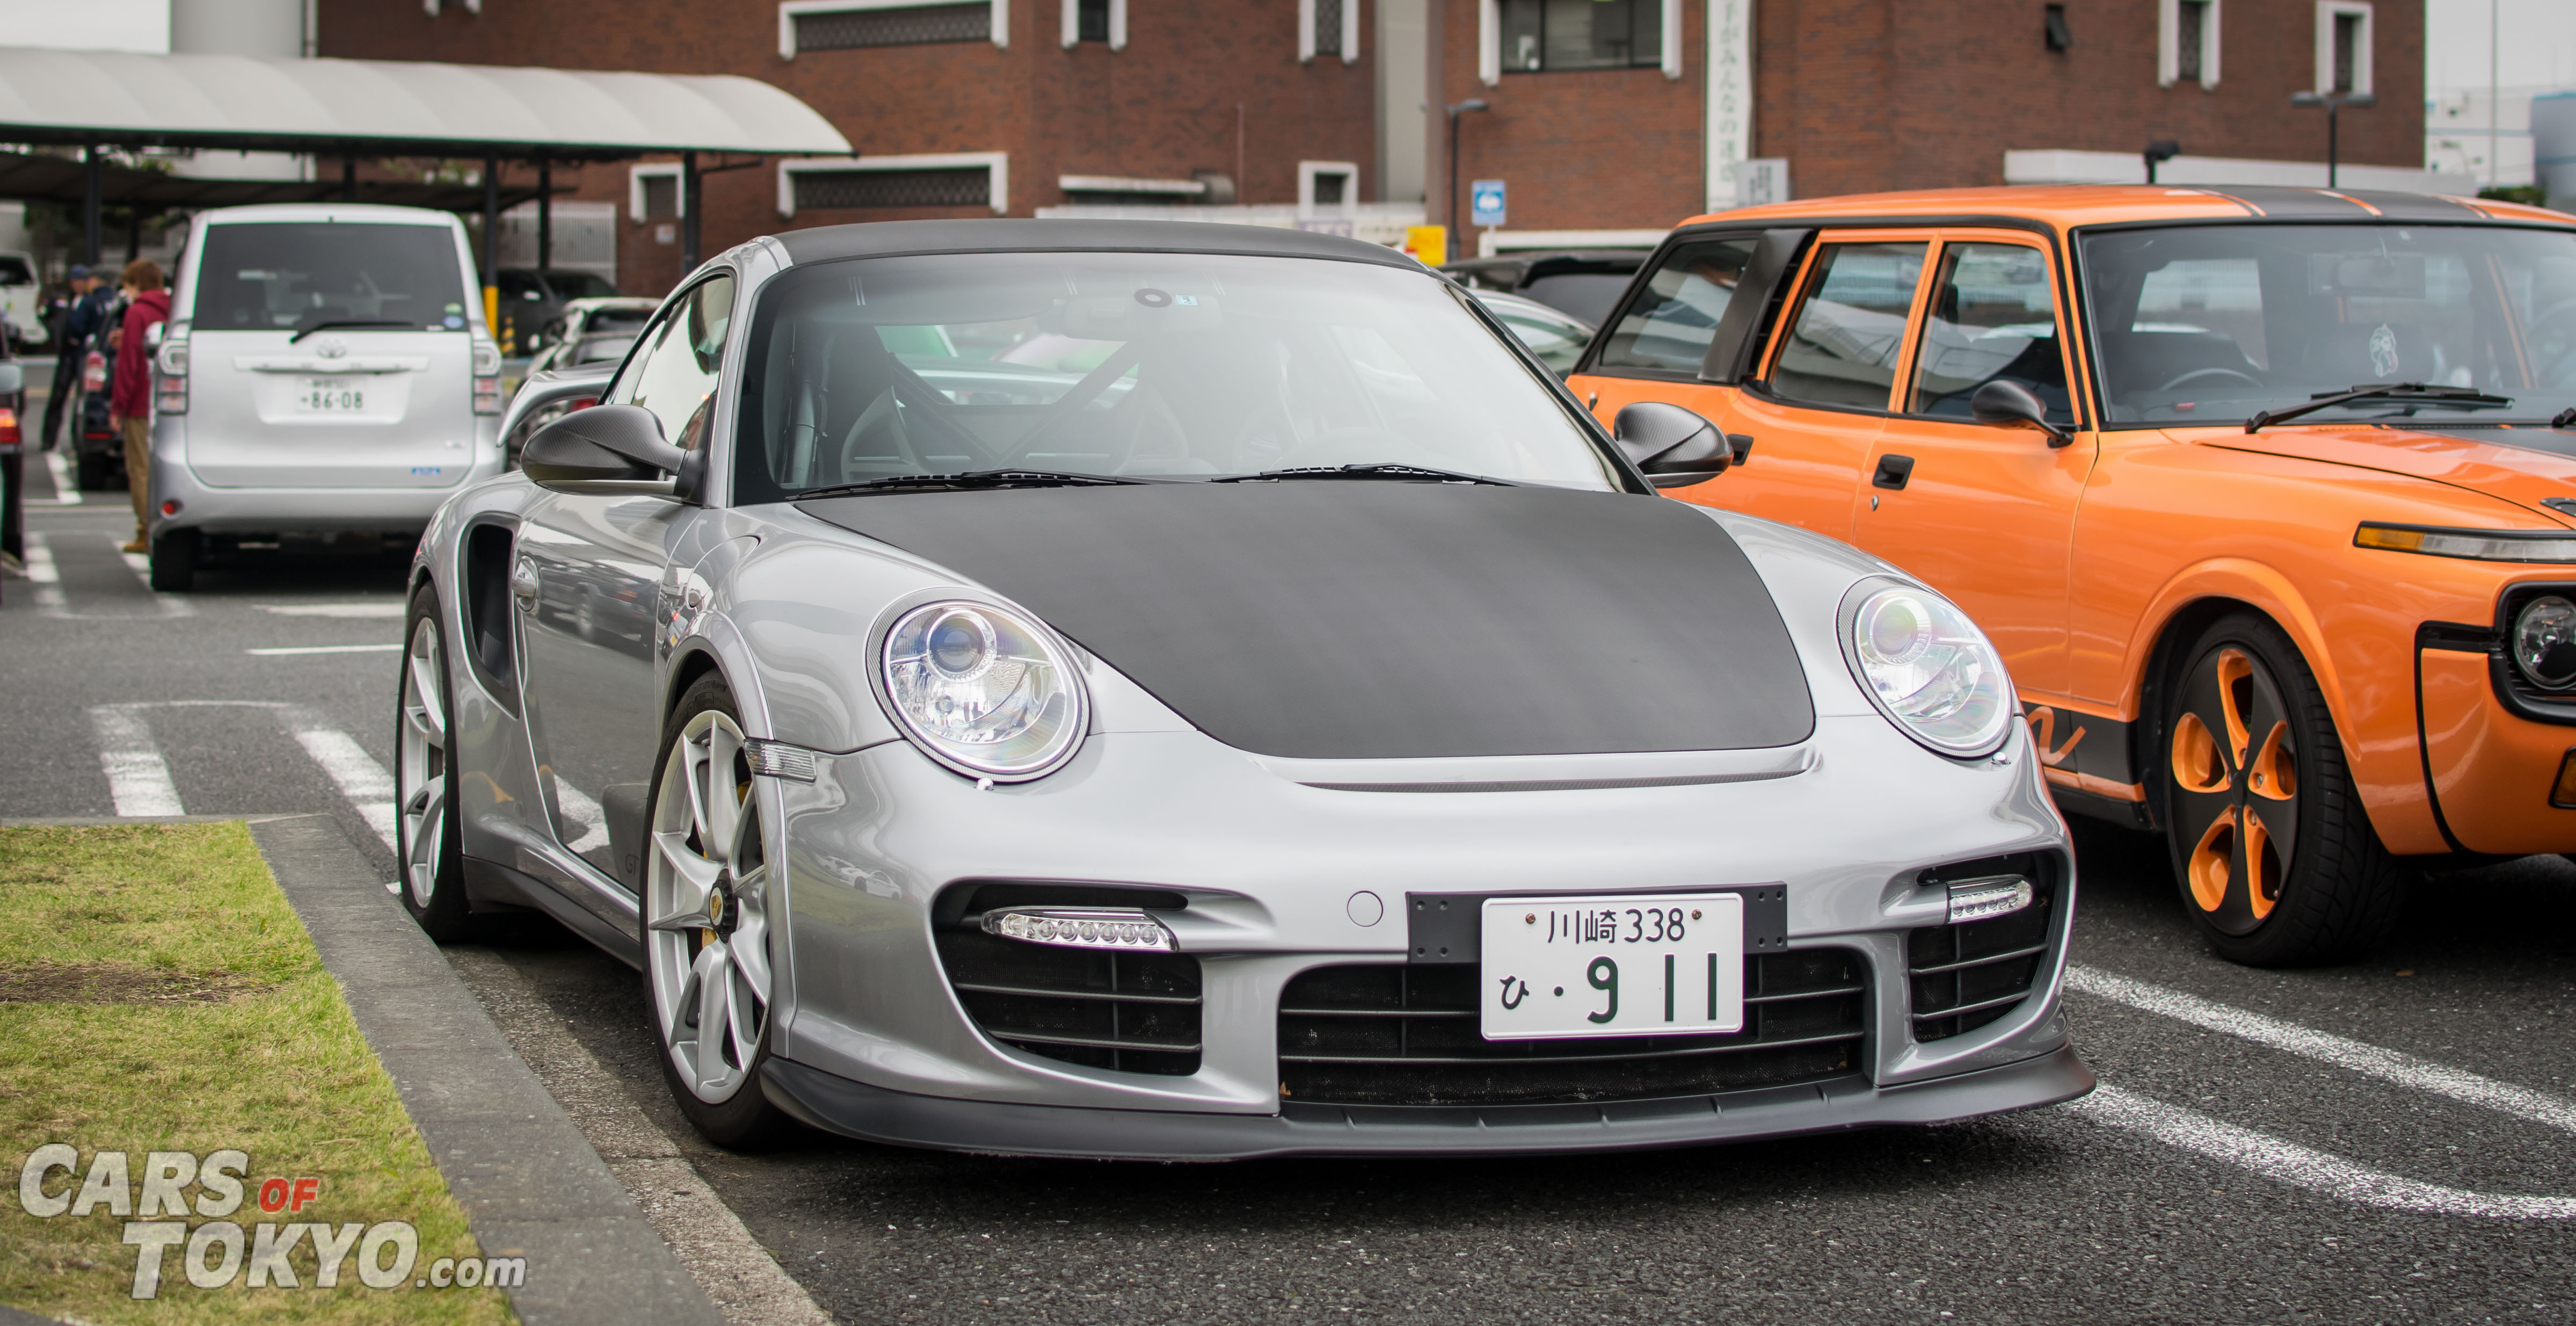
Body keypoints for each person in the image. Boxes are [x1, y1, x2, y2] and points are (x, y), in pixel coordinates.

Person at [105, 258, 169, 554]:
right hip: (171, 399)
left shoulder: (137, 312)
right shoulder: (175, 308)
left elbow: (129, 364)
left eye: (127, 287)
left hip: (141, 402)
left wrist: (118, 406)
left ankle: (146, 530)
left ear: (135, 284)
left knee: (139, 468)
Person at [40, 265, 106, 451]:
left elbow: (98, 327)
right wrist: (54, 332)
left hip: (82, 354)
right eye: (75, 281)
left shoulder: (91, 303)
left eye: (82, 281)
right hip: (67, 353)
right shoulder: (62, 300)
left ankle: (77, 440)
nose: (78, 284)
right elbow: (45, 315)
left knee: (82, 399)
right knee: (58, 396)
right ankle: (48, 438)